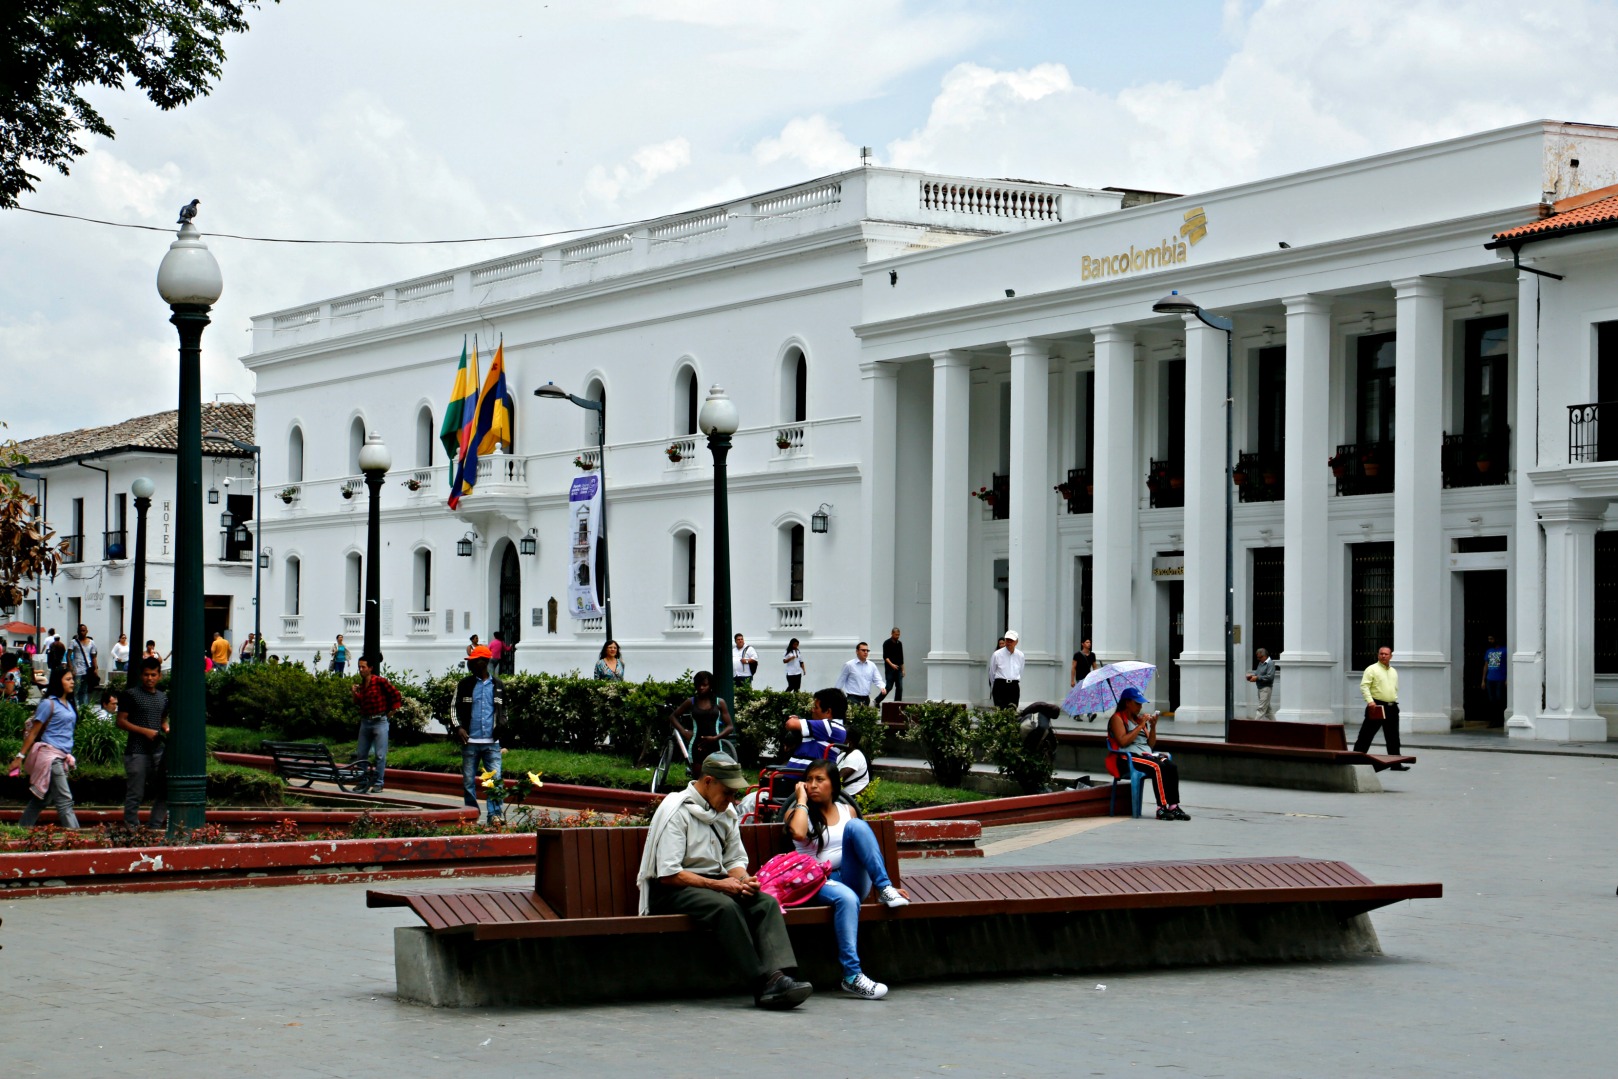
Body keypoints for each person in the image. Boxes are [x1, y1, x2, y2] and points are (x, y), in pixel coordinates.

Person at [637, 753, 813, 1010]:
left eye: (734, 794)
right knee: (725, 907)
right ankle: (762, 983)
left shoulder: (725, 812)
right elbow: (669, 874)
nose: (732, 800)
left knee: (764, 903)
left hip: (713, 886)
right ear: (708, 781)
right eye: (728, 792)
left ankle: (781, 977)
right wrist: (719, 885)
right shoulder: (676, 810)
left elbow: (734, 861)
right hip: (673, 889)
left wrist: (744, 880)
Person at [786, 757, 911, 1000]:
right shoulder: (798, 813)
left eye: (819, 779)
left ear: (833, 785)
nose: (813, 785)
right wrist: (800, 800)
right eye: (809, 780)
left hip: (850, 877)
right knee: (847, 898)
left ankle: (885, 888)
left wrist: (886, 886)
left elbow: (864, 851)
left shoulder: (847, 810)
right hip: (817, 881)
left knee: (857, 826)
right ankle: (852, 976)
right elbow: (799, 833)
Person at [1108, 686, 1189, 821]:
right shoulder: (1117, 718)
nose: (1140, 707)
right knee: (1157, 767)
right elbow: (1123, 741)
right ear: (1127, 703)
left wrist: (1153, 727)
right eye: (1137, 703)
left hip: (1145, 755)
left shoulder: (1138, 719)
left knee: (1170, 766)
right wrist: (1141, 726)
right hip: (1127, 758)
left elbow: (1150, 745)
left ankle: (1173, 806)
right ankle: (1161, 808)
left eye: (1141, 704)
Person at [14, 667, 81, 828]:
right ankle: (76, 838)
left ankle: (21, 829)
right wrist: (19, 757)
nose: (72, 682)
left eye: (72, 679)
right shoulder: (48, 704)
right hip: (51, 757)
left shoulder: (69, 704)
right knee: (65, 800)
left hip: (62, 756)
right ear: (58, 682)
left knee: (42, 799)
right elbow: (33, 732)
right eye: (68, 679)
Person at [446, 645, 506, 821]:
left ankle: (495, 815)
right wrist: (459, 727)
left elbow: (503, 710)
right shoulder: (464, 684)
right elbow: (453, 708)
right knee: (468, 781)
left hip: (491, 742)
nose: (470, 664)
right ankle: (471, 814)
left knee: (495, 780)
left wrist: (502, 726)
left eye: (474, 661)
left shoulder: (498, 685)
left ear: (484, 662)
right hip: (470, 742)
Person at [116, 656, 169, 830]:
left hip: (157, 750)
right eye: (146, 674)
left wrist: (166, 729)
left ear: (159, 676)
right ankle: (132, 828)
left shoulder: (163, 697)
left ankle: (154, 826)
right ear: (141, 675)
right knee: (135, 793)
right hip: (136, 750)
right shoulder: (131, 695)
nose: (150, 678)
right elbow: (121, 721)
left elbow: (163, 720)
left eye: (153, 675)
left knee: (165, 790)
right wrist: (145, 731)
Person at [350, 654, 403, 793]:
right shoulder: (363, 685)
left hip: (379, 721)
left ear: (370, 668)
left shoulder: (379, 681)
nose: (361, 670)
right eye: (359, 667)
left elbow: (396, 694)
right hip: (365, 721)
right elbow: (359, 702)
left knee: (380, 755)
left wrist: (393, 710)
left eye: (363, 667)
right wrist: (354, 693)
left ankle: (379, 783)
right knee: (361, 754)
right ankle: (362, 781)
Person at [670, 670, 734, 776]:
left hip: (715, 745)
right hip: (696, 746)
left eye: (704, 685)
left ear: (710, 685)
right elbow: (672, 717)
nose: (701, 687)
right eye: (698, 685)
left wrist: (715, 738)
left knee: (714, 779)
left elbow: (730, 727)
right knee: (698, 779)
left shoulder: (719, 702)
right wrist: (684, 732)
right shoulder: (691, 701)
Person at [1356, 646, 1408, 768]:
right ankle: (1355, 759)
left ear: (1391, 656)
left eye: (1386, 654)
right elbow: (1364, 686)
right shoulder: (1372, 669)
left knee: (1393, 737)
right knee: (1366, 735)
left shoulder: (1393, 671)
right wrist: (1370, 701)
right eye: (1381, 654)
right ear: (1378, 655)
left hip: (1392, 707)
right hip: (1376, 706)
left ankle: (1395, 764)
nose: (1383, 656)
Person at [786, 687, 848, 771]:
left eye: (816, 707)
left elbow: (791, 724)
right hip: (795, 774)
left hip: (805, 776)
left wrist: (796, 721)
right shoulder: (829, 728)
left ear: (828, 712)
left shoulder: (829, 726)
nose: (812, 710)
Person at [989, 630, 1024, 709]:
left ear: (1016, 642)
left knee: (1012, 710)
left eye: (1011, 640)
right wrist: (995, 686)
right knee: (1000, 710)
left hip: (1014, 686)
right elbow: (992, 672)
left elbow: (1020, 671)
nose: (1009, 642)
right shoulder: (997, 654)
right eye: (1007, 640)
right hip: (1000, 685)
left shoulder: (1020, 655)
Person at [67, 625, 98, 707]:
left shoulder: (91, 643)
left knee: (84, 690)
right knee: (75, 690)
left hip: (87, 670)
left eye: (83, 630)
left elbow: (94, 656)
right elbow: (68, 656)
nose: (82, 632)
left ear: (87, 631)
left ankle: (83, 707)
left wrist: (95, 668)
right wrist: (71, 668)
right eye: (80, 631)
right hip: (77, 670)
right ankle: (74, 706)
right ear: (78, 632)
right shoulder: (73, 642)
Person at [1481, 634, 1507, 727]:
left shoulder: (1505, 650)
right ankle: (1493, 720)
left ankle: (1500, 720)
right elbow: (1486, 665)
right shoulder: (1489, 651)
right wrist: (1483, 680)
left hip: (1500, 679)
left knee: (1499, 700)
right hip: (1490, 679)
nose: (1490, 641)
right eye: (1489, 639)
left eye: (1491, 639)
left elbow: (1508, 664)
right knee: (1492, 701)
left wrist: (1507, 678)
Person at [1247, 648, 1277, 720]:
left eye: (1260, 657)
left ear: (1265, 656)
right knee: (1268, 711)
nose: (1259, 659)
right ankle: (1276, 724)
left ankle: (1254, 725)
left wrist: (1257, 678)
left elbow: (1270, 677)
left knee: (1261, 709)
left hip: (1266, 688)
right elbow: (1257, 674)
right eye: (1258, 657)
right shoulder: (1261, 663)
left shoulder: (1270, 663)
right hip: (1260, 688)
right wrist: (1252, 677)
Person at [881, 627, 905, 703]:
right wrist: (892, 665)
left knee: (900, 687)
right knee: (889, 687)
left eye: (898, 635)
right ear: (892, 634)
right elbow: (885, 657)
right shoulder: (886, 643)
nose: (897, 636)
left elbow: (901, 657)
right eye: (896, 634)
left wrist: (903, 669)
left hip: (898, 668)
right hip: (890, 669)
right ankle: (877, 700)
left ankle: (897, 703)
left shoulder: (899, 643)